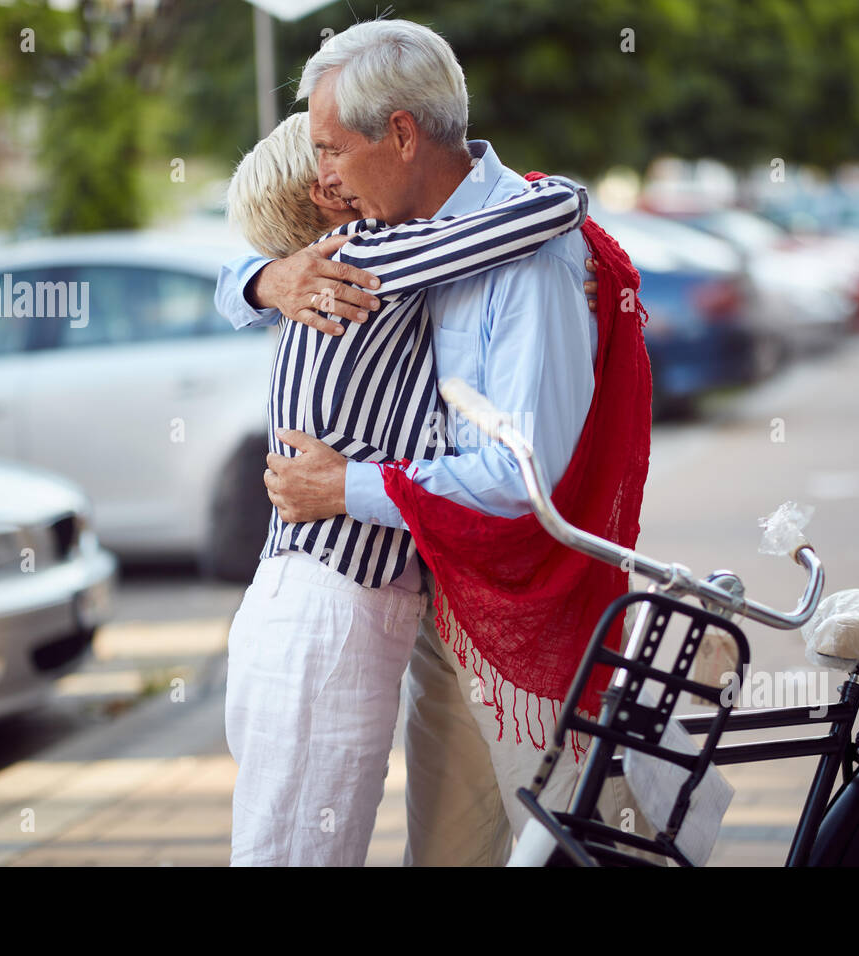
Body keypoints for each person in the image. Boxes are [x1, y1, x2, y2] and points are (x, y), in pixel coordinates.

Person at [216, 20, 655, 865]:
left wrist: (348, 488)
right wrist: (262, 276)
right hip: (400, 599)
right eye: (317, 161)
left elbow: (523, 474)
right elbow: (230, 274)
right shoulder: (354, 262)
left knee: (551, 844)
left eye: (334, 149)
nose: (329, 172)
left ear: (404, 134)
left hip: (508, 612)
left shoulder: (505, 250)